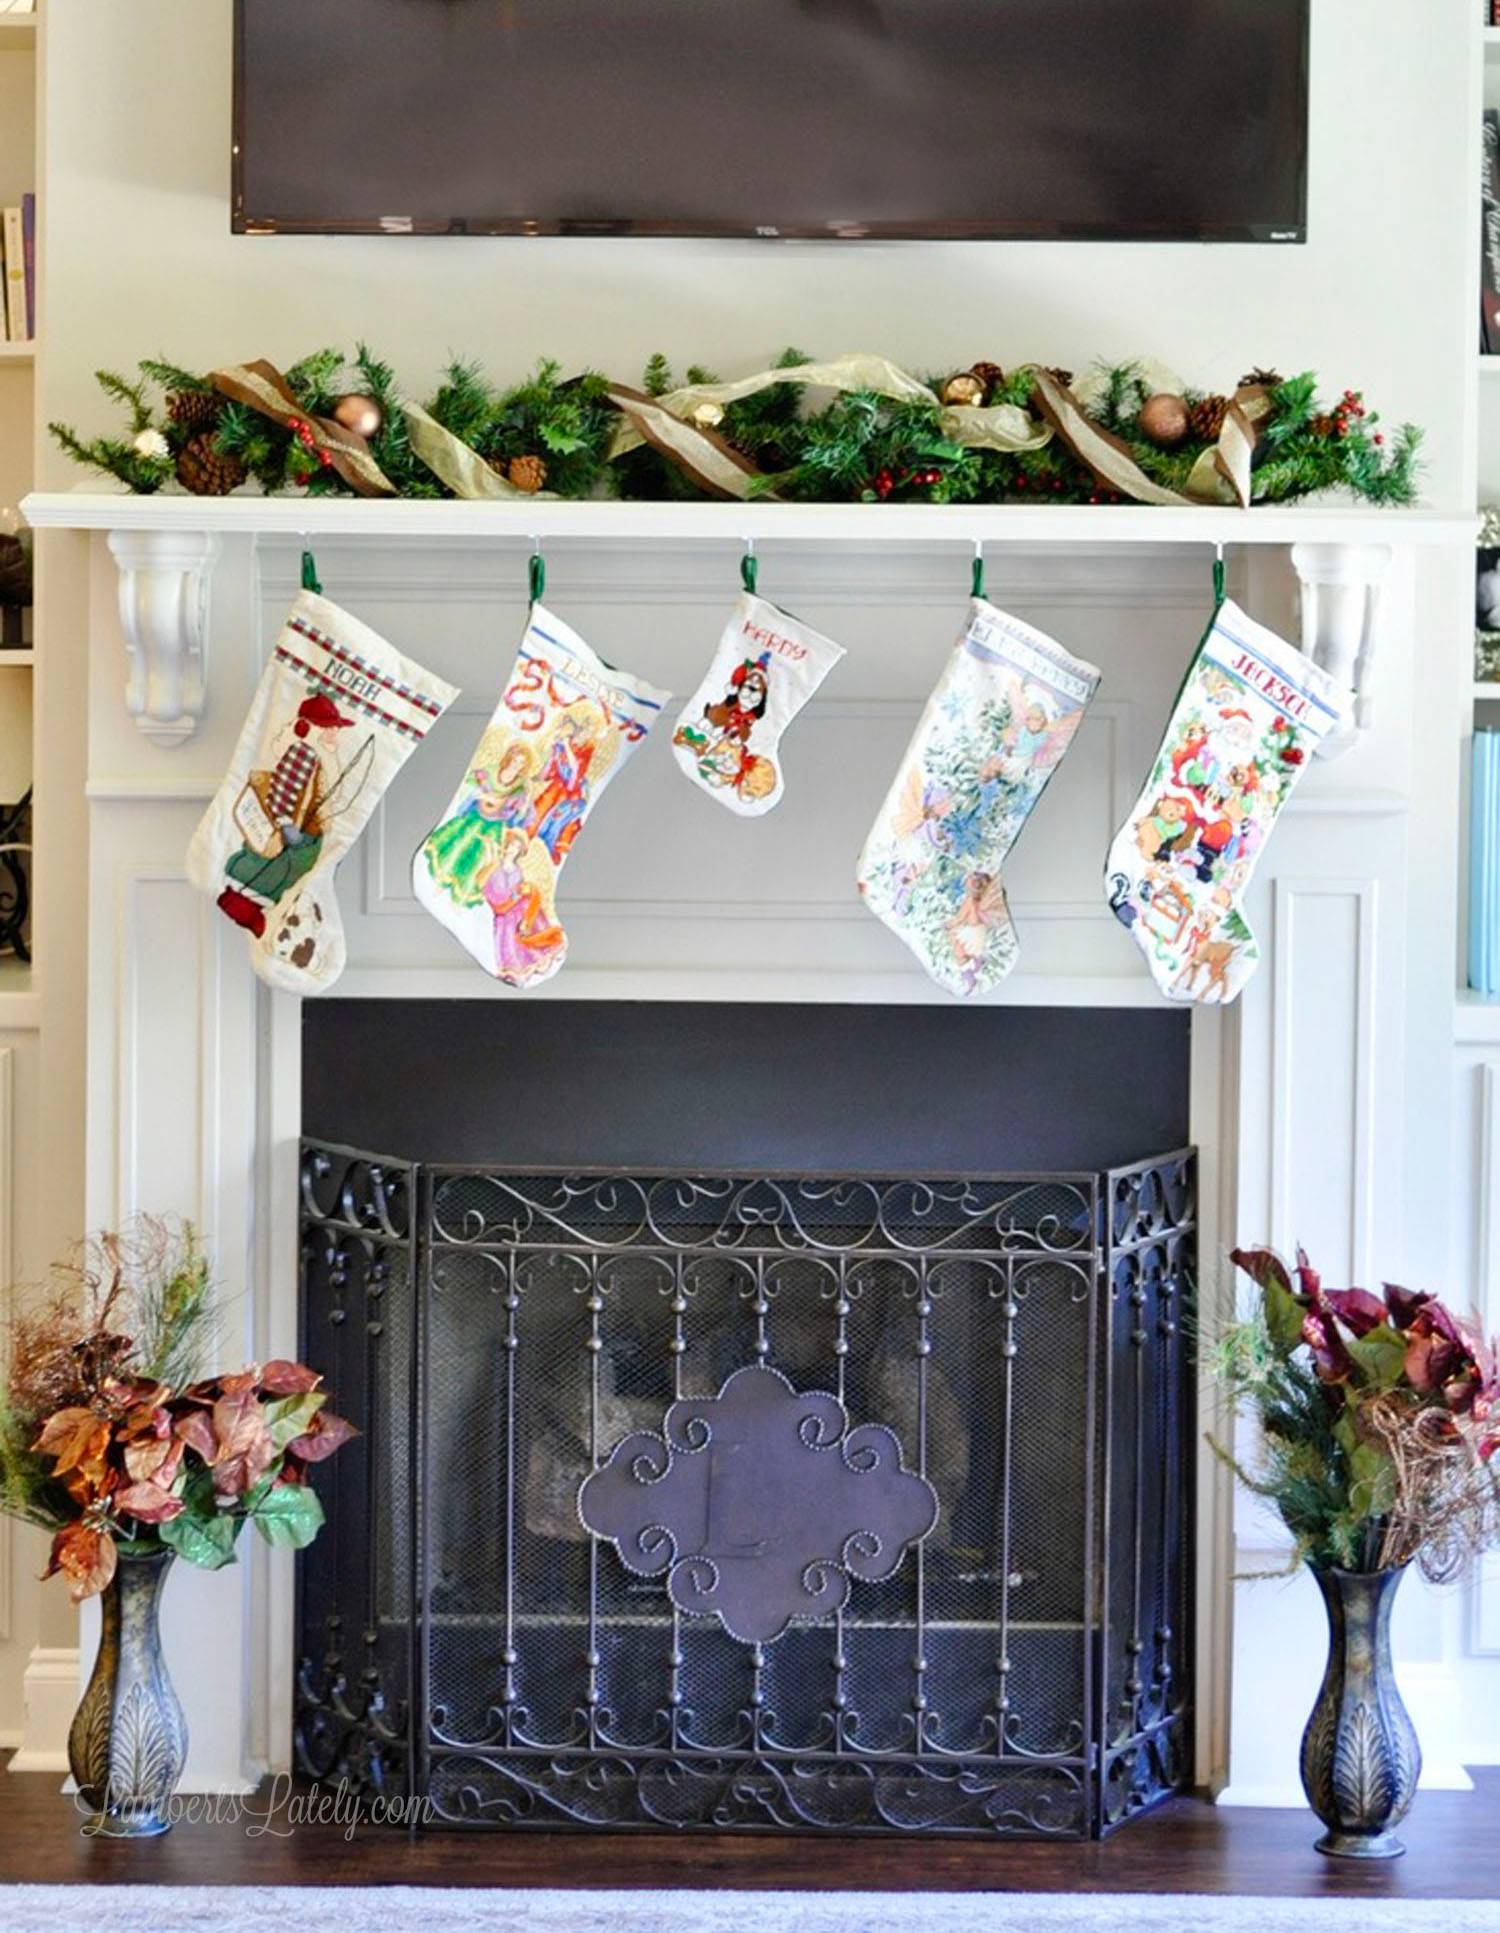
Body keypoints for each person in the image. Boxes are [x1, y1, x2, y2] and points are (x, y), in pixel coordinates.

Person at [421, 738, 536, 908]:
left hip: (494, 825)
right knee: (459, 846)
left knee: (479, 859)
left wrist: (523, 805)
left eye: (521, 763)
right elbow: (468, 783)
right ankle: (439, 883)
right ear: (509, 757)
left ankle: (460, 896)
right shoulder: (491, 771)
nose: (517, 765)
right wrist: (482, 795)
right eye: (516, 759)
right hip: (475, 817)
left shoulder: (521, 786)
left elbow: (518, 816)